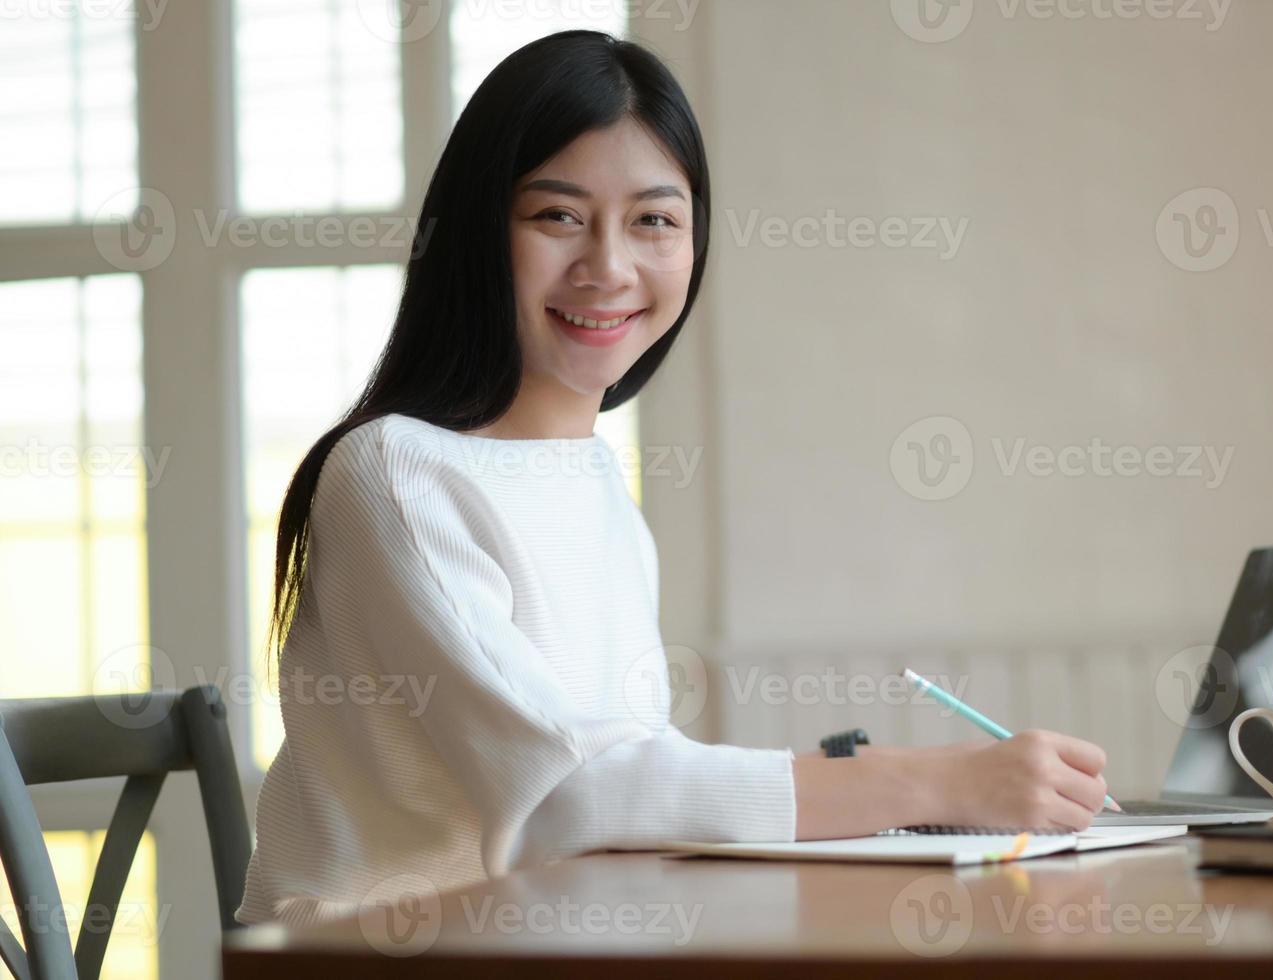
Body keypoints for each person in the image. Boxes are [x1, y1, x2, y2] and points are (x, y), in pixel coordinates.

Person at [235, 30, 1111, 927]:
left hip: (558, 935)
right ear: (473, 233)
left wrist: (885, 796)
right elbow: (565, 797)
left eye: (653, 219)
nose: (607, 267)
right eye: (556, 216)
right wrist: (929, 781)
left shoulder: (598, 490)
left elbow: (626, 776)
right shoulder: (396, 475)